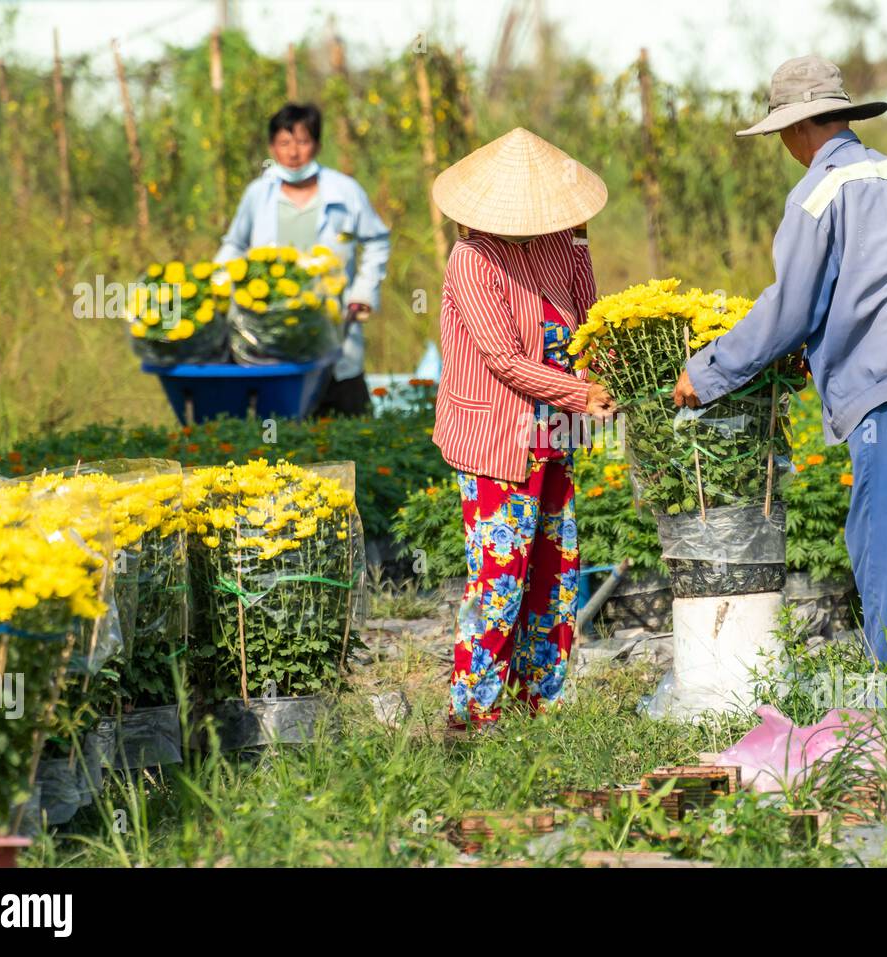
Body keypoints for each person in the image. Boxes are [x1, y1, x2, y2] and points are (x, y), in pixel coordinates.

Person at [672, 56, 887, 705]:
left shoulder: (817, 192)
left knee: (884, 543)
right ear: (842, 116)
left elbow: (790, 310)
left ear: (794, 131)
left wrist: (706, 372)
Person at [430, 128, 616, 731]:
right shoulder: (473, 260)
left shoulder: (564, 244)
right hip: (497, 439)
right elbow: (505, 361)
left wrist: (611, 371)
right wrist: (582, 393)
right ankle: (475, 713)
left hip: (556, 435)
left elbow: (589, 319)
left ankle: (542, 702)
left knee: (557, 571)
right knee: (499, 577)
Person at [216, 103, 390, 416]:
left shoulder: (345, 191)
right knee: (276, 414)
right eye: (284, 143)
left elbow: (377, 240)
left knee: (346, 414)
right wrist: (215, 285)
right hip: (269, 325)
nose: (293, 153)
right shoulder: (258, 194)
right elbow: (234, 245)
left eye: (303, 141)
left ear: (318, 145)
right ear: (272, 147)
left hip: (332, 321)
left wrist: (363, 293)